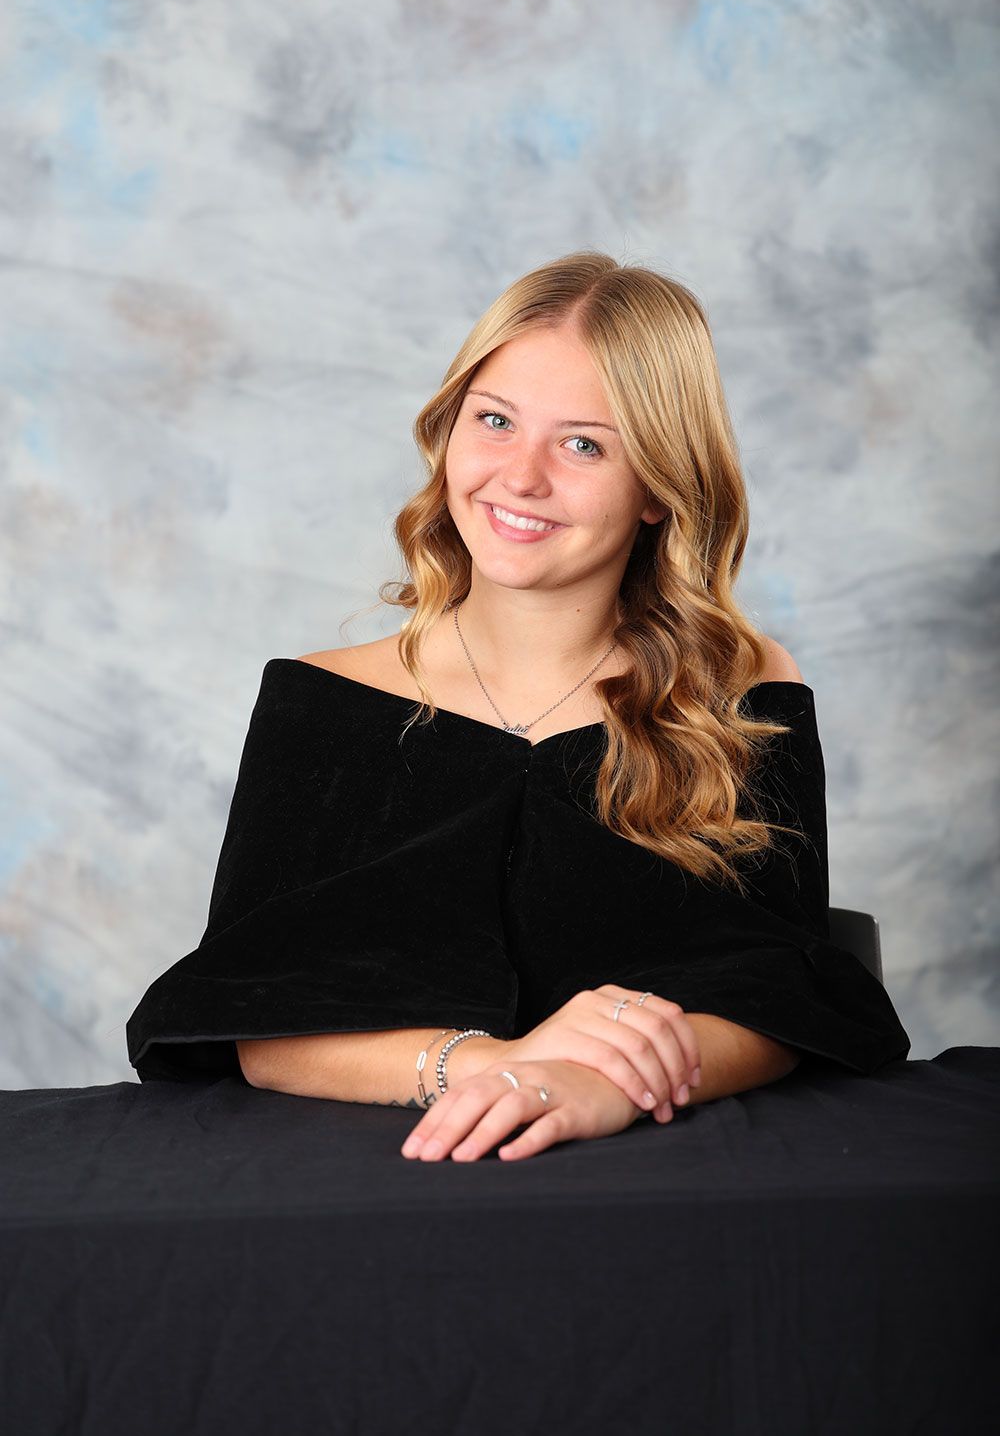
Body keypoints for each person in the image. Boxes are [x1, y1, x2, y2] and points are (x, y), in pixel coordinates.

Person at [125, 250, 910, 1164]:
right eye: (494, 421)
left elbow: (787, 998)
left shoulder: (741, 694)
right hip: (363, 1182)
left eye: (584, 444)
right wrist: (503, 1067)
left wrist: (606, 1085)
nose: (521, 477)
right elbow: (255, 1022)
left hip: (665, 1179)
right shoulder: (320, 703)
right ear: (449, 431)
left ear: (659, 488)